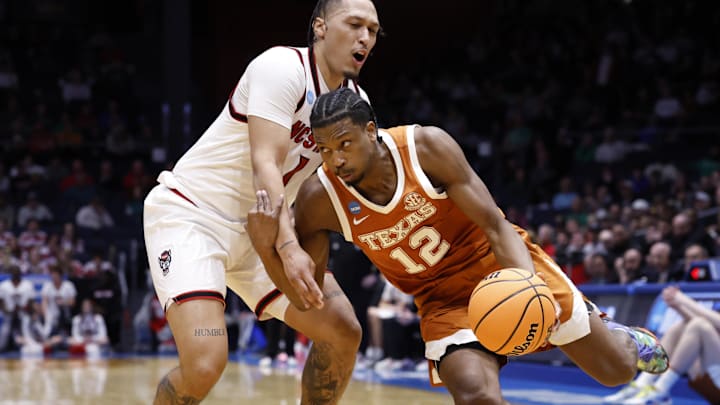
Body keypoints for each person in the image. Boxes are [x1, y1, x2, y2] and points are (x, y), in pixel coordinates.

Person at [246, 88, 670, 404]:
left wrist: (524, 285)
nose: (335, 159)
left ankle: (626, 338)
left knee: (614, 370)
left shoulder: (425, 147)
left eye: (344, 144)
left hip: (499, 267)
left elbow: (495, 224)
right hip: (441, 301)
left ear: (371, 131)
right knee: (476, 397)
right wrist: (268, 247)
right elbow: (308, 298)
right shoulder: (320, 199)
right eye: (324, 149)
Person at [142, 1, 381, 403]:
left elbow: (346, 188)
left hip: (263, 233)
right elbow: (265, 163)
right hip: (194, 216)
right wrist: (288, 247)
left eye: (373, 30)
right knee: (205, 361)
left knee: (343, 330)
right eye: (354, 24)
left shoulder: (358, 105)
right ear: (320, 27)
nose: (365, 38)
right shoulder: (282, 68)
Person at [604, 286, 720, 404]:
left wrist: (684, 300)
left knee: (698, 325)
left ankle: (661, 389)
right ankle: (643, 383)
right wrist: (678, 306)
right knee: (683, 325)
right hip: (710, 379)